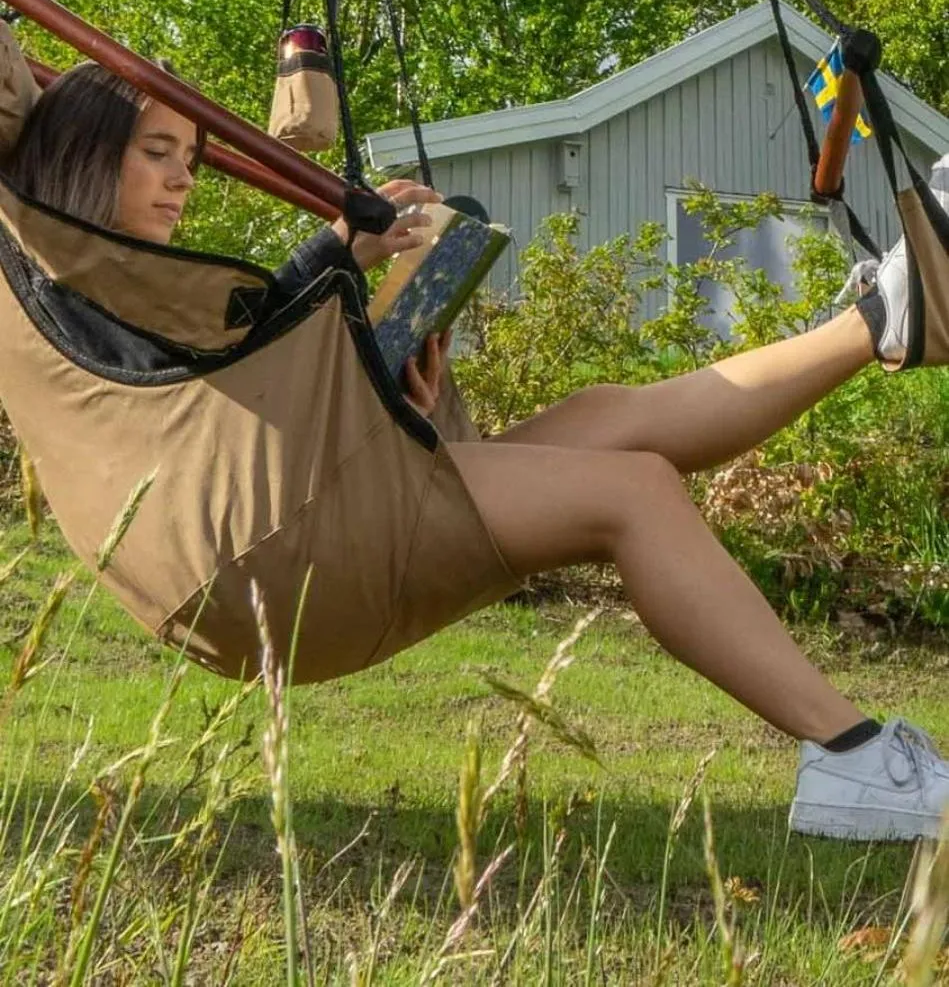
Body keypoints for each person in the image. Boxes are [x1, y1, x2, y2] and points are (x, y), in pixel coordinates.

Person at [4, 60, 949, 843]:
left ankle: (880, 320)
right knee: (631, 490)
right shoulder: (72, 285)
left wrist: (382, 363)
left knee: (601, 414)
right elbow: (224, 387)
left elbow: (235, 382)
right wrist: (341, 253)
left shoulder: (131, 285)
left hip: (296, 507)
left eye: (190, 158)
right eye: (155, 152)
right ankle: (856, 758)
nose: (182, 178)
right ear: (84, 158)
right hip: (262, 549)